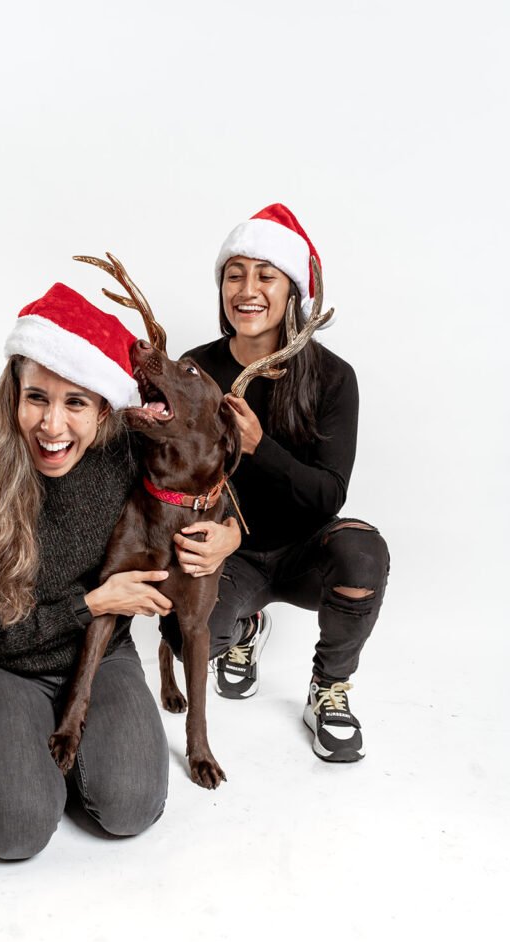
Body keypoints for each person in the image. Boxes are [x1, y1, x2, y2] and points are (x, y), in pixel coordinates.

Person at [0, 283, 171, 858]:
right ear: (13, 397)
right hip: (6, 665)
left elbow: (208, 474)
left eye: (75, 402)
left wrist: (226, 537)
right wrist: (93, 603)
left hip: (100, 658)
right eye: (37, 398)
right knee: (15, 831)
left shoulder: (125, 457)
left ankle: (41, 753)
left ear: (104, 407)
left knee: (129, 808)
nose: (52, 425)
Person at [167, 204, 390, 763]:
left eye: (265, 275)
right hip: (228, 553)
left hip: (303, 549)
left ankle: (329, 688)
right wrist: (213, 535)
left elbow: (327, 495)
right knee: (183, 637)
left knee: (363, 555)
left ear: (292, 291)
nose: (247, 288)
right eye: (234, 273)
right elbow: (169, 476)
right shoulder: (194, 371)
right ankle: (242, 627)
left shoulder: (334, 378)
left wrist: (258, 448)